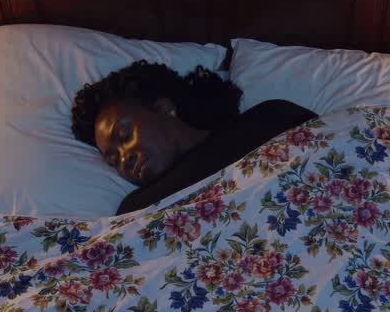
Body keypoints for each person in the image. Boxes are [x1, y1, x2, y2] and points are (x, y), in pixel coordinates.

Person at [71, 61, 316, 214]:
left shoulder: (269, 120)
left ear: (163, 108)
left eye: (125, 135)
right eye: (114, 160)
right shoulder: (137, 209)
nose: (125, 158)